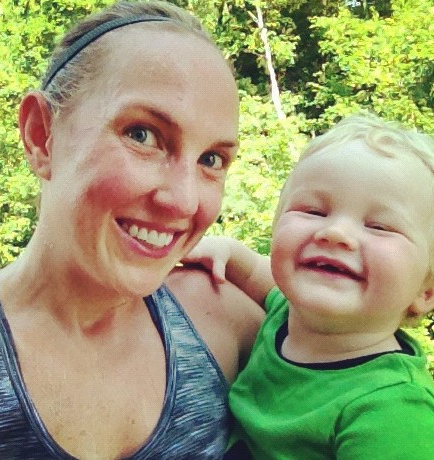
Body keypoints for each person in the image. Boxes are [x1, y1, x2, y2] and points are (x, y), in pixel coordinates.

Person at [0, 2, 264, 458]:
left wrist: (249, 262)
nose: (183, 200)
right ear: (42, 135)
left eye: (211, 160)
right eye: (142, 135)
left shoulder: (223, 321)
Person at [186, 114, 434, 459]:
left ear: (427, 291)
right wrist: (226, 250)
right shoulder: (283, 316)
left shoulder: (393, 409)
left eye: (379, 226)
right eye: (314, 211)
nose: (335, 233)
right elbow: (258, 272)